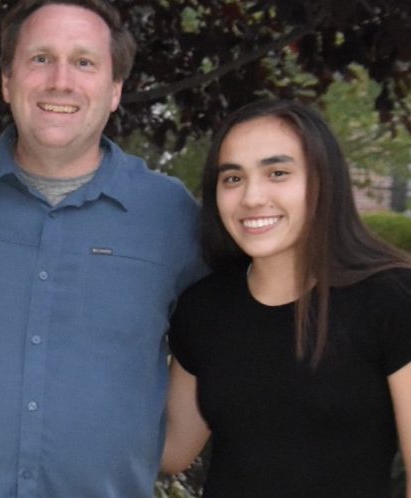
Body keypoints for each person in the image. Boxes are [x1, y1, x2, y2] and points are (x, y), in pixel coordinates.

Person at [0, 0, 206, 498]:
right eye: (40, 58)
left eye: (84, 62)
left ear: (115, 89)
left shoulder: (170, 217)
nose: (61, 80)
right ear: (8, 81)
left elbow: (233, 327)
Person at [162, 98, 411, 497]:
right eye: (232, 178)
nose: (252, 197)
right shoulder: (204, 308)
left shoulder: (393, 298)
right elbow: (172, 450)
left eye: (277, 173)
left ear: (322, 181)